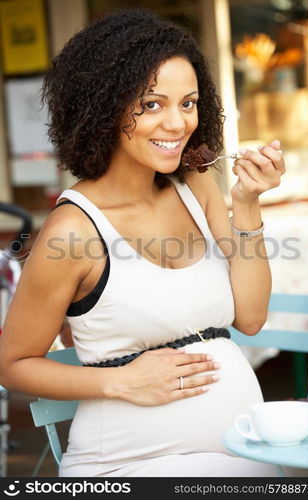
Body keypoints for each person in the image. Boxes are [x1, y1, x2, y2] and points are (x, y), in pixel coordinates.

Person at [0, 9, 285, 477]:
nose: (176, 124)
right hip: (127, 467)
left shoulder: (196, 186)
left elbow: (250, 317)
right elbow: (14, 365)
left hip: (242, 454)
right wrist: (120, 381)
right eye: (152, 104)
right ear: (103, 106)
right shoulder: (73, 231)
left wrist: (247, 204)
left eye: (188, 103)